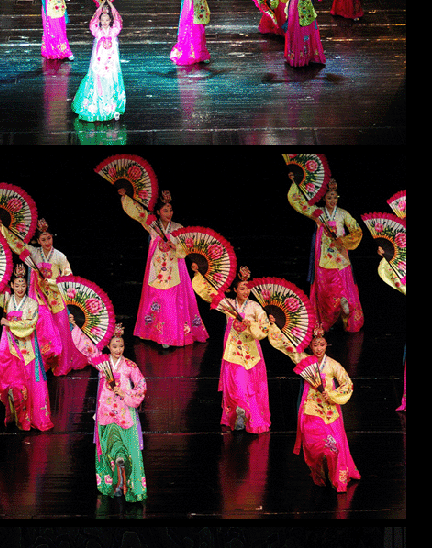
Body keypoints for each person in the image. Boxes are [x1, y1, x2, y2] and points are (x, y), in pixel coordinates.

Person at [0, 256, 52, 434]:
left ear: (26, 286)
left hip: (27, 350)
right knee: (12, 385)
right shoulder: (7, 299)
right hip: (8, 349)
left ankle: (28, 418)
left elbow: (30, 324)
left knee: (26, 385)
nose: (20, 288)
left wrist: (9, 323)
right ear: (12, 285)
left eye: (23, 285)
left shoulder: (32, 304)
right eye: (17, 285)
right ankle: (15, 416)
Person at [67, 319, 146, 503]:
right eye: (114, 346)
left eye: (121, 346)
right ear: (108, 347)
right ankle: (116, 482)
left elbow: (142, 385)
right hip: (106, 413)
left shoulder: (130, 366)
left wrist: (126, 393)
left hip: (125, 413)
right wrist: (74, 327)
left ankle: (126, 482)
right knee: (111, 449)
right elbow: (88, 348)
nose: (118, 349)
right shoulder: (102, 363)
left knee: (128, 450)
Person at [119, 188, 208, 351]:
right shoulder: (152, 225)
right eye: (165, 210)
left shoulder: (178, 227)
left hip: (175, 271)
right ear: (158, 212)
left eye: (171, 210)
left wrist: (176, 247)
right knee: (157, 302)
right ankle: (156, 334)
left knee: (172, 303)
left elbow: (188, 248)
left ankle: (170, 335)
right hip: (157, 271)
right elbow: (138, 213)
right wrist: (125, 197)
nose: (169, 213)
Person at [280, 325, 360, 494]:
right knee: (314, 446)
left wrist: (331, 394)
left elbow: (347, 384)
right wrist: (273, 326)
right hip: (311, 410)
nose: (318, 349)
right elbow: (287, 347)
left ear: (326, 345)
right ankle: (321, 471)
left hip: (330, 412)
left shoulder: (332, 365)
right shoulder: (305, 361)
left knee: (334, 447)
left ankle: (334, 476)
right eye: (315, 345)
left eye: (322, 345)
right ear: (310, 346)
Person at [286, 169, 364, 335]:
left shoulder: (343, 214)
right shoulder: (319, 213)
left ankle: (347, 319)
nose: (332, 200)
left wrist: (344, 240)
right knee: (326, 296)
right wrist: (295, 183)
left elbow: (357, 230)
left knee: (345, 296)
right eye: (329, 197)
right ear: (323, 199)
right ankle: (326, 324)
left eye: (335, 197)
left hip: (341, 260)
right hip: (323, 260)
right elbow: (300, 204)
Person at [203, 267, 275, 436]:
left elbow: (264, 328)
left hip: (251, 355)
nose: (246, 291)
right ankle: (240, 414)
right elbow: (209, 295)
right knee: (238, 387)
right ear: (235, 289)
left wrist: (253, 325)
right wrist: (200, 274)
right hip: (233, 354)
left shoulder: (254, 306)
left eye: (248, 288)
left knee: (252, 389)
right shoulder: (229, 305)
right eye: (242, 288)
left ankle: (250, 417)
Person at [18, 223, 89, 375]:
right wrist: (2, 228)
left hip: (56, 298)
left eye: (49, 238)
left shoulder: (59, 256)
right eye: (43, 239)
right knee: (42, 332)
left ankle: (62, 363)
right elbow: (16, 244)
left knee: (62, 331)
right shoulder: (34, 252)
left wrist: (50, 282)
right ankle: (45, 362)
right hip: (40, 299)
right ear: (38, 241)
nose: (47, 242)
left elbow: (68, 277)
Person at [72, 0, 125, 125]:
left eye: (107, 19)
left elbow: (118, 21)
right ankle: (97, 107)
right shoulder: (98, 32)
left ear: (110, 20)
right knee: (98, 82)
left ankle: (111, 108)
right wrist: (101, 7)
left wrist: (111, 5)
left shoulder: (113, 32)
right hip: (99, 63)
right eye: (102, 19)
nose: (105, 22)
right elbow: (93, 22)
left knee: (110, 82)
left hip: (110, 63)